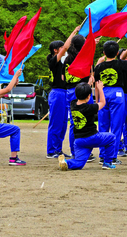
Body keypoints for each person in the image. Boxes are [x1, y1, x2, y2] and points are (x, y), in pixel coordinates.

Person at [94, 39, 127, 163]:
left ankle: (102, 155)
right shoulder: (120, 64)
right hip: (117, 94)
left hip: (103, 93)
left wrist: (98, 101)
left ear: (104, 52)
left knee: (103, 125)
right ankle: (112, 156)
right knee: (116, 126)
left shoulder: (99, 66)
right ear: (116, 54)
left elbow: (97, 84)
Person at [59, 81, 117, 170]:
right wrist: (100, 89)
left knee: (79, 163)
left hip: (79, 141)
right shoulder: (90, 108)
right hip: (92, 138)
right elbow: (103, 103)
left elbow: (81, 97)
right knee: (111, 138)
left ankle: (66, 162)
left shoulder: (73, 104)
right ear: (89, 96)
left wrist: (87, 85)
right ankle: (107, 163)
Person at [46, 26, 80, 159]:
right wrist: (73, 32)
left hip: (64, 93)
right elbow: (66, 47)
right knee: (55, 123)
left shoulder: (62, 62)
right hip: (57, 93)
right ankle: (51, 150)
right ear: (56, 50)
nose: (64, 50)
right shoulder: (53, 61)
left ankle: (58, 149)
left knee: (62, 125)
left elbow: (71, 51)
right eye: (61, 48)